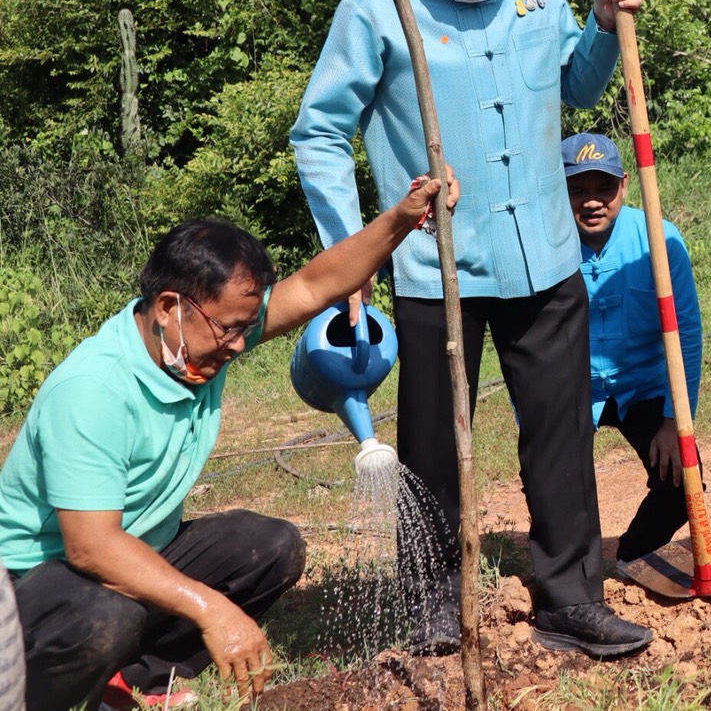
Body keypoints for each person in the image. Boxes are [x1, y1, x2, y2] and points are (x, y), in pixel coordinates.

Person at [290, 0, 653, 657]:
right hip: (435, 266)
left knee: (560, 435)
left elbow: (579, 84)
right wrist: (352, 252)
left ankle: (569, 601)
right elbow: (317, 133)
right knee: (430, 445)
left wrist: (599, 19)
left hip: (546, 260)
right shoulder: (376, 7)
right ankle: (430, 606)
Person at [0, 177, 455, 711]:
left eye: (247, 327)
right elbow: (90, 546)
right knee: (106, 617)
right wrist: (210, 608)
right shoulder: (93, 391)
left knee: (269, 549)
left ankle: (137, 679)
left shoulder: (198, 340)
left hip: (137, 547)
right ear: (169, 306)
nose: (240, 344)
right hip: (34, 583)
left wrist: (402, 218)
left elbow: (314, 286)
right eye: (229, 330)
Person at [561, 132, 703, 570]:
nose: (592, 202)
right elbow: (518, 339)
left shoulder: (660, 239)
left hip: (643, 387)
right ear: (558, 190)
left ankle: (629, 556)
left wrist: (672, 421)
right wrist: (529, 418)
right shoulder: (545, 246)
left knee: (683, 484)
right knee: (554, 487)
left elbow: (688, 333)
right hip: (571, 389)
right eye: (577, 190)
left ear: (624, 184)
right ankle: (574, 577)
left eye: (604, 187)